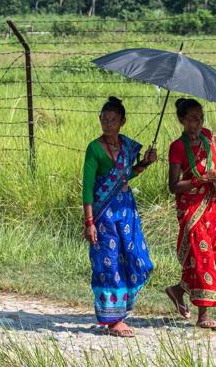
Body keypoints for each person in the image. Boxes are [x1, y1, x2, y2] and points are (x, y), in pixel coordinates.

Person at [82, 96, 157, 337]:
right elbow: (88, 187)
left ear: (123, 121)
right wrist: (89, 222)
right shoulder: (94, 149)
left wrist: (144, 163)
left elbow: (127, 175)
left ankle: (122, 309)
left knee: (135, 257)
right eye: (105, 119)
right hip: (104, 218)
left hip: (126, 214)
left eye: (113, 120)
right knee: (109, 262)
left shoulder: (126, 147)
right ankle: (114, 320)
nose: (108, 124)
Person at [165, 97, 216, 329]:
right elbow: (173, 186)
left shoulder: (209, 138)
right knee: (202, 258)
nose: (197, 123)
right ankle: (204, 316)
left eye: (200, 118)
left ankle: (178, 290)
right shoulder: (177, 147)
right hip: (191, 209)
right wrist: (201, 179)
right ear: (182, 120)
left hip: (211, 207)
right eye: (192, 119)